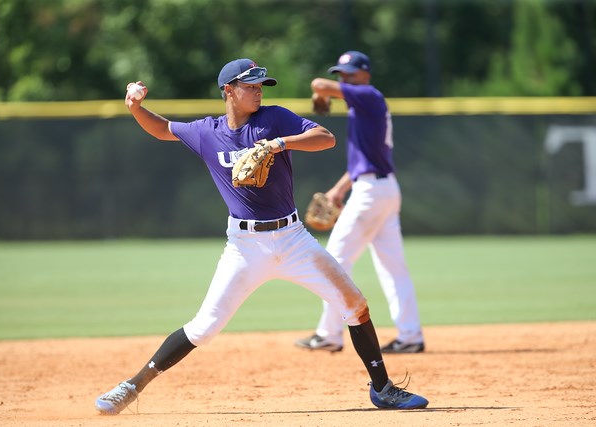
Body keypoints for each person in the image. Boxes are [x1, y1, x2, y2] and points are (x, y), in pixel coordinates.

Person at [94, 58, 428, 415]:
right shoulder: (208, 132)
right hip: (244, 247)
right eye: (249, 86)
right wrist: (136, 107)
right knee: (204, 328)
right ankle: (131, 386)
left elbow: (325, 138)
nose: (257, 92)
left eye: (259, 86)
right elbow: (162, 129)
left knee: (355, 306)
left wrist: (277, 144)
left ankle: (382, 389)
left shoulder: (273, 119)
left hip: (293, 238)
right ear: (228, 91)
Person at [296, 51, 425, 354]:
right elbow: (362, 163)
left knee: (335, 258)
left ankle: (329, 333)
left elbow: (318, 83)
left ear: (365, 74)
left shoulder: (368, 95)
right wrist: (338, 190)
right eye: (342, 73)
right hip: (380, 188)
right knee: (393, 268)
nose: (345, 78)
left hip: (372, 193)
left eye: (351, 73)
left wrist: (320, 93)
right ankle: (410, 335)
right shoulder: (361, 108)